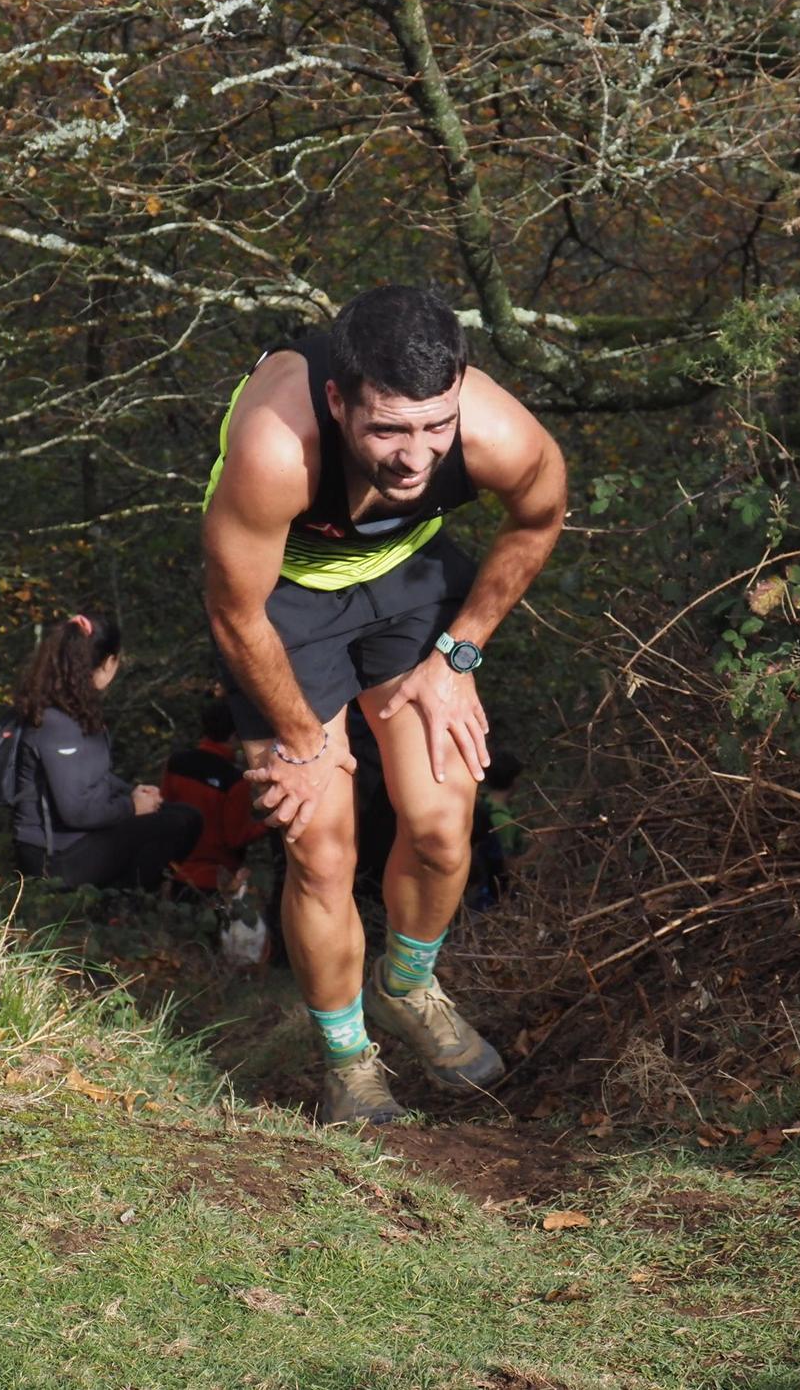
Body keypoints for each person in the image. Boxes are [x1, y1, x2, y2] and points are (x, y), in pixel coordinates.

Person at [202, 284, 567, 1123]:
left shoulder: (496, 433)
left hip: (411, 586)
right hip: (283, 610)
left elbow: (539, 521)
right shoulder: (276, 448)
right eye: (388, 430)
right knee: (321, 849)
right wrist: (304, 735)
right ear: (338, 402)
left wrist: (458, 655)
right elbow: (234, 611)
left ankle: (406, 984)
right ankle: (347, 1061)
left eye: (436, 427)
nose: (416, 456)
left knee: (443, 827)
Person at [10, 610, 202, 892]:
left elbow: (93, 778)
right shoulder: (56, 723)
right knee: (177, 823)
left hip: (76, 841)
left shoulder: (73, 711)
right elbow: (75, 811)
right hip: (52, 858)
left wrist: (134, 793)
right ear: (109, 662)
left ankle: (127, 901)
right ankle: (121, 905)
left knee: (183, 815)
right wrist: (131, 807)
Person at [161, 698, 272, 898]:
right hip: (214, 881)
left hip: (175, 873)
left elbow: (163, 812)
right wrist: (270, 823)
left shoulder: (176, 763)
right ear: (234, 735)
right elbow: (236, 838)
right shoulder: (234, 781)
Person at [467, 749, 529, 911]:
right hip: (488, 903)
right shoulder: (502, 820)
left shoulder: (482, 806)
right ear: (515, 780)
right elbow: (506, 867)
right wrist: (542, 846)